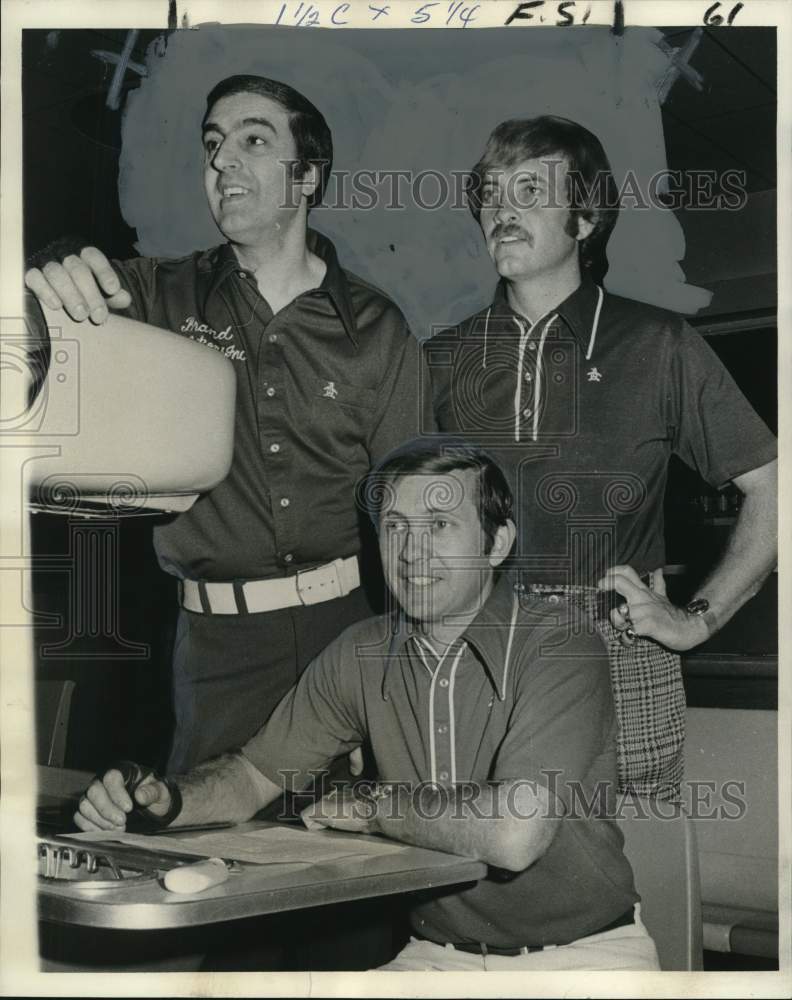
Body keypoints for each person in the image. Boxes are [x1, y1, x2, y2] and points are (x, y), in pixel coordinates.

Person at [75, 440, 660, 972]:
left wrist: (369, 804)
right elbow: (253, 776)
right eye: (396, 527)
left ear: (497, 542)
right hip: (437, 957)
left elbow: (513, 832)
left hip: (584, 959)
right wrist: (164, 798)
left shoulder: (559, 643)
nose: (411, 552)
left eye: (439, 524)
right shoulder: (362, 650)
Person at [24, 74, 431, 774]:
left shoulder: (376, 328)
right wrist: (49, 268)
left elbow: (417, 514)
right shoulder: (155, 293)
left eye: (253, 141)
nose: (222, 163)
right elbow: (41, 314)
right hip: (211, 646)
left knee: (359, 858)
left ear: (306, 177)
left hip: (348, 632)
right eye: (213, 146)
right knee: (209, 848)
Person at [423, 116, 777, 799]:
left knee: (637, 876)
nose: (503, 210)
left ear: (585, 218)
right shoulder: (440, 358)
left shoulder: (658, 343)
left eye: (530, 190)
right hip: (474, 640)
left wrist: (697, 618)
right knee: (482, 878)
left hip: (616, 642)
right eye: (492, 193)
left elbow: (775, 487)